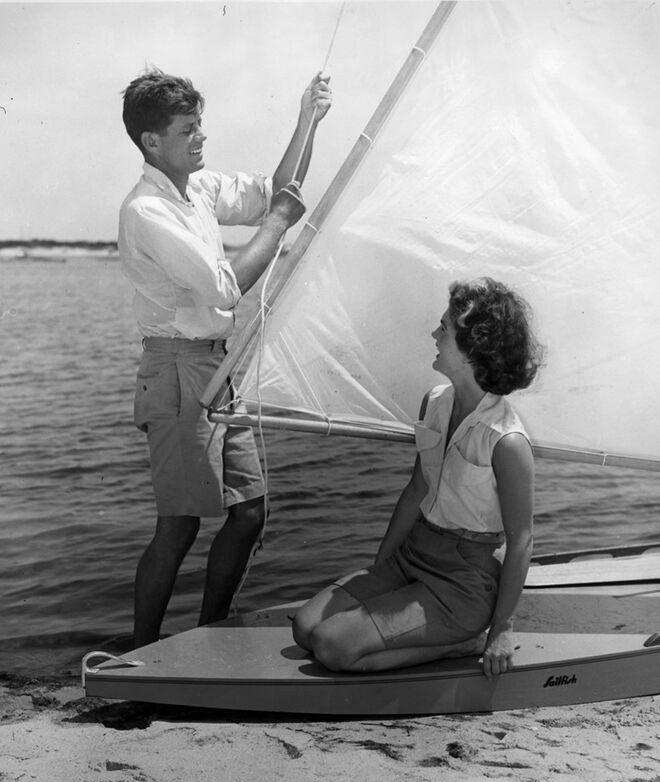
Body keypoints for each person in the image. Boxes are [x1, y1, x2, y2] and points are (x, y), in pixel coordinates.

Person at [118, 68, 332, 648]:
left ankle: (209, 638)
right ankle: (140, 656)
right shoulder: (146, 211)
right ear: (151, 142)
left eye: (200, 127)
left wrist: (306, 119)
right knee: (180, 525)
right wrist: (279, 223)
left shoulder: (200, 191)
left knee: (250, 512)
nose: (200, 139)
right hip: (177, 371)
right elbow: (223, 287)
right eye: (188, 130)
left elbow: (277, 187)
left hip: (217, 367)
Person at [293, 277, 543, 678]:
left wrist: (502, 629)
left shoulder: (506, 441)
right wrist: (381, 567)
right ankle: (419, 629)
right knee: (306, 628)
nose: (434, 334)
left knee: (331, 646)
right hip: (412, 553)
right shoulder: (435, 402)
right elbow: (417, 490)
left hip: (463, 579)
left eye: (444, 328)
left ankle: (463, 641)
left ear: (472, 348)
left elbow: (522, 540)